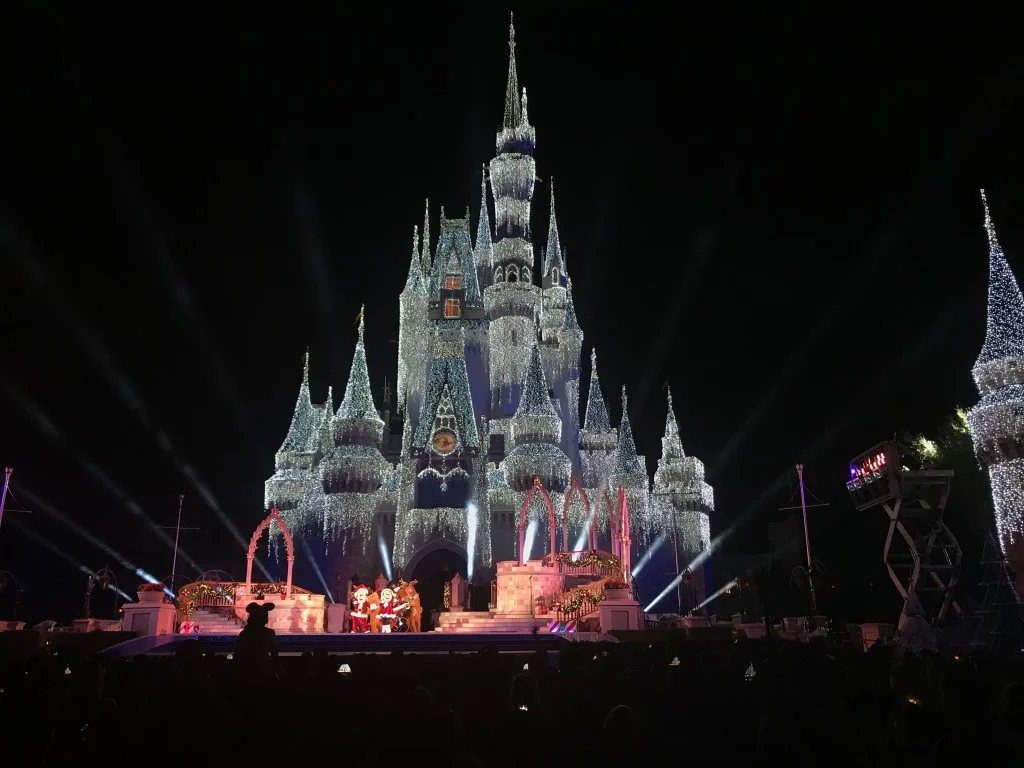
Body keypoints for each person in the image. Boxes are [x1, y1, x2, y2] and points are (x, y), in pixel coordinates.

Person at [233, 602, 278, 679]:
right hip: (264, 672)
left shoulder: (244, 634)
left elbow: (237, 655)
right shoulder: (269, 633)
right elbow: (275, 657)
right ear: (265, 618)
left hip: (245, 673)